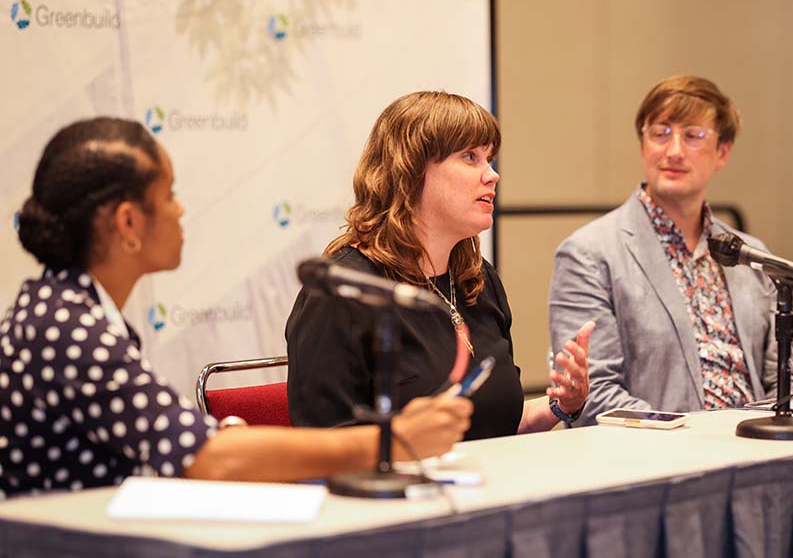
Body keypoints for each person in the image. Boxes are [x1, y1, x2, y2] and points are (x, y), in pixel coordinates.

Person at [0, 117, 471, 499]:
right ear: (128, 222)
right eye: (168, 196)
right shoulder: (63, 326)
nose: (180, 211)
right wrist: (392, 442)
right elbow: (203, 457)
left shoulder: (65, 310)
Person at [286, 91, 593, 439]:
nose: (492, 175)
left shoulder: (477, 280)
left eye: (489, 159)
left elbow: (496, 426)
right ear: (412, 170)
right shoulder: (343, 293)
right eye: (470, 157)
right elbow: (323, 446)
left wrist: (562, 405)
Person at [548, 75, 793, 426]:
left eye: (693, 135)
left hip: (756, 453)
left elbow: (789, 384)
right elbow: (592, 394)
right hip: (658, 460)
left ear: (723, 152)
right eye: (660, 133)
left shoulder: (751, 255)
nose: (674, 151)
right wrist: (695, 437)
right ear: (643, 144)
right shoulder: (589, 254)